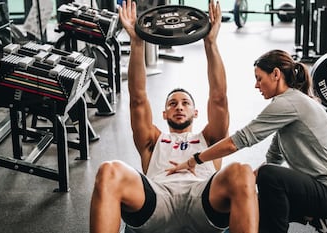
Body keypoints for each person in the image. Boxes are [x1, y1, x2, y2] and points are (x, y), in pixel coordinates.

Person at [89, 1, 258, 233]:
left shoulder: (210, 138)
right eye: (173, 103)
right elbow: (137, 98)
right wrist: (137, 42)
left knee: (242, 170)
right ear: (164, 113)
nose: (179, 107)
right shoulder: (152, 139)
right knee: (109, 171)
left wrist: (210, 43)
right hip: (158, 200)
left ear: (195, 112)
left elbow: (219, 98)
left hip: (202, 199)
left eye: (185, 103)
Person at [167, 49, 327, 233]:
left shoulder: (288, 103)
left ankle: (313, 216)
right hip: (317, 191)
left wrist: (195, 160)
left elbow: (238, 141)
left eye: (259, 78)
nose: (256, 85)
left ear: (276, 74)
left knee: (268, 176)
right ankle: (314, 218)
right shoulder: (288, 104)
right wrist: (242, 186)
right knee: (255, 206)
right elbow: (273, 158)